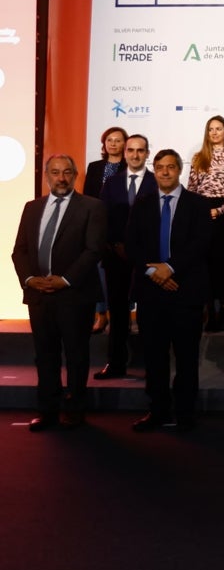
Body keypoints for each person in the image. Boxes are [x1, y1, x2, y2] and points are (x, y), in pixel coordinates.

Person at [11, 155, 107, 431]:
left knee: (76, 354)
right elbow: (20, 250)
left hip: (74, 295)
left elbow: (94, 250)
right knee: (44, 355)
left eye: (67, 172)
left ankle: (75, 409)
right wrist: (30, 279)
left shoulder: (92, 207)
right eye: (55, 172)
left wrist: (64, 280)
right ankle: (48, 411)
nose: (61, 178)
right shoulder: (32, 207)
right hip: (39, 294)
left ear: (75, 175)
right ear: (46, 175)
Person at [126, 149, 213, 432]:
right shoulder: (142, 204)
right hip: (151, 293)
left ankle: (186, 413)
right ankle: (158, 411)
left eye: (171, 167)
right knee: (154, 357)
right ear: (154, 169)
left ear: (179, 170)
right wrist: (155, 272)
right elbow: (132, 245)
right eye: (160, 167)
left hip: (186, 292)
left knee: (187, 358)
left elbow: (201, 244)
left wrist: (171, 268)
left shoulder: (198, 204)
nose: (165, 172)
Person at [94, 134, 155, 380]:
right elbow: (102, 217)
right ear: (126, 152)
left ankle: (152, 366)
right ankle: (116, 364)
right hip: (116, 257)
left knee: (150, 314)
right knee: (118, 314)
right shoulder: (112, 183)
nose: (135, 155)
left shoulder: (156, 182)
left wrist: (139, 250)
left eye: (140, 150)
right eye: (131, 150)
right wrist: (115, 244)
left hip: (148, 259)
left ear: (147, 154)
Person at [187, 115, 224, 332]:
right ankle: (209, 311)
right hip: (202, 213)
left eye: (218, 128)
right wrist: (197, 213)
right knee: (205, 264)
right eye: (211, 129)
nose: (214, 133)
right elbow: (192, 189)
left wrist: (220, 210)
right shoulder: (198, 157)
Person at [83, 126, 126, 334]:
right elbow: (87, 197)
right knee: (98, 270)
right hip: (97, 225)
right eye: (110, 139)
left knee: (122, 272)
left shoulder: (129, 167)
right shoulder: (94, 167)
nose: (113, 143)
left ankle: (122, 315)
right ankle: (101, 315)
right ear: (104, 143)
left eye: (118, 140)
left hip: (121, 226)